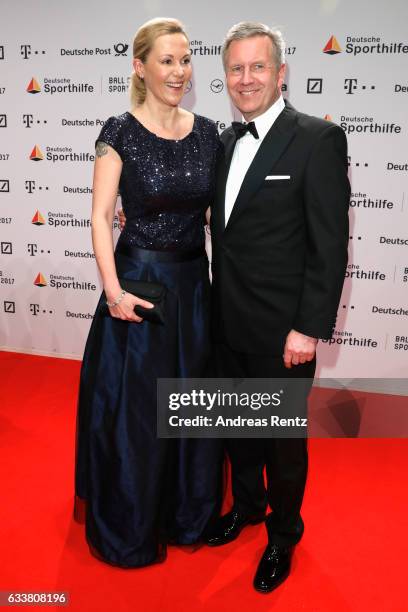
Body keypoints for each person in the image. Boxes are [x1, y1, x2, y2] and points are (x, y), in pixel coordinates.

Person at [205, 22, 350, 593]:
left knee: (283, 441)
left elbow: (330, 244)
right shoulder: (221, 142)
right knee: (239, 428)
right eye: (236, 69)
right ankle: (248, 506)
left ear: (281, 73)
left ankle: (284, 536)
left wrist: (309, 329)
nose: (246, 79)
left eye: (257, 67)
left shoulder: (316, 139)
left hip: (284, 332)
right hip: (227, 320)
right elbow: (223, 225)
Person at [74, 17, 222, 568]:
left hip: (194, 287)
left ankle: (188, 513)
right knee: (139, 415)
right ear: (140, 67)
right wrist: (112, 291)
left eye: (186, 59)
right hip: (139, 289)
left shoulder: (209, 131)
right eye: (167, 60)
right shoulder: (119, 131)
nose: (179, 71)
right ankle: (131, 525)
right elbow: (98, 218)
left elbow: (213, 215)